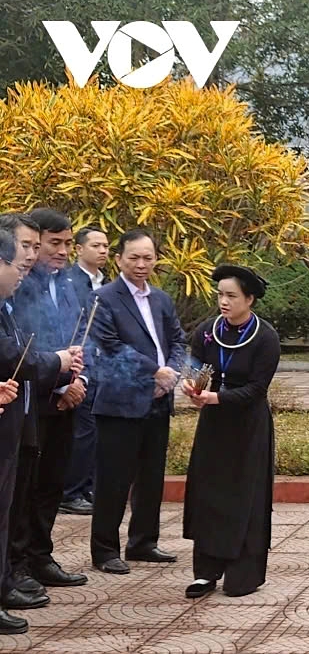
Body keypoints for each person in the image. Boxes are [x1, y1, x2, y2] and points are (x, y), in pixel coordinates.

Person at [87, 230, 188, 575]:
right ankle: (104, 550)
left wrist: (172, 372)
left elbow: (177, 338)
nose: (142, 264)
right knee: (113, 479)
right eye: (134, 257)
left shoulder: (161, 299)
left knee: (151, 476)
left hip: (159, 400)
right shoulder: (104, 299)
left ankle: (143, 542)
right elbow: (111, 346)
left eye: (148, 257)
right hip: (120, 402)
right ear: (118, 259)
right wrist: (154, 372)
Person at [181, 265, 280, 599]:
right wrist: (191, 389)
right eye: (220, 294)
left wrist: (216, 397)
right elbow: (195, 368)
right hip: (214, 424)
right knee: (210, 493)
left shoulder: (265, 337)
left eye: (231, 296)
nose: (223, 301)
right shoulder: (208, 331)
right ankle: (205, 572)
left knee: (246, 497)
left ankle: (244, 573)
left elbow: (256, 389)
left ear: (249, 299)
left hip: (248, 424)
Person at [0, 228, 81, 633]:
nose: (25, 265)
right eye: (21, 254)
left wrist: (70, 373)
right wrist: (59, 362)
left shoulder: (19, 301)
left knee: (25, 499)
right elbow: (16, 356)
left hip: (22, 417)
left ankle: (12, 576)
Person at [10, 209, 89, 595]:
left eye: (67, 243)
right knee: (26, 487)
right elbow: (21, 352)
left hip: (66, 398)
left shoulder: (72, 283)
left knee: (53, 485)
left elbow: (81, 338)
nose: (60, 251)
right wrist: (57, 386)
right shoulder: (17, 285)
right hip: (34, 401)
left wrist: (79, 379)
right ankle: (18, 563)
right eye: (51, 244)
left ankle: (42, 555)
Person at [61, 226, 109, 516]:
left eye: (105, 246)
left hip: (105, 365)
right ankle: (71, 492)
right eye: (95, 245)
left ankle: (88, 486)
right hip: (78, 364)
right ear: (79, 249)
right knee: (82, 429)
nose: (102, 250)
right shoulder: (70, 282)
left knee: (96, 430)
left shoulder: (108, 282)